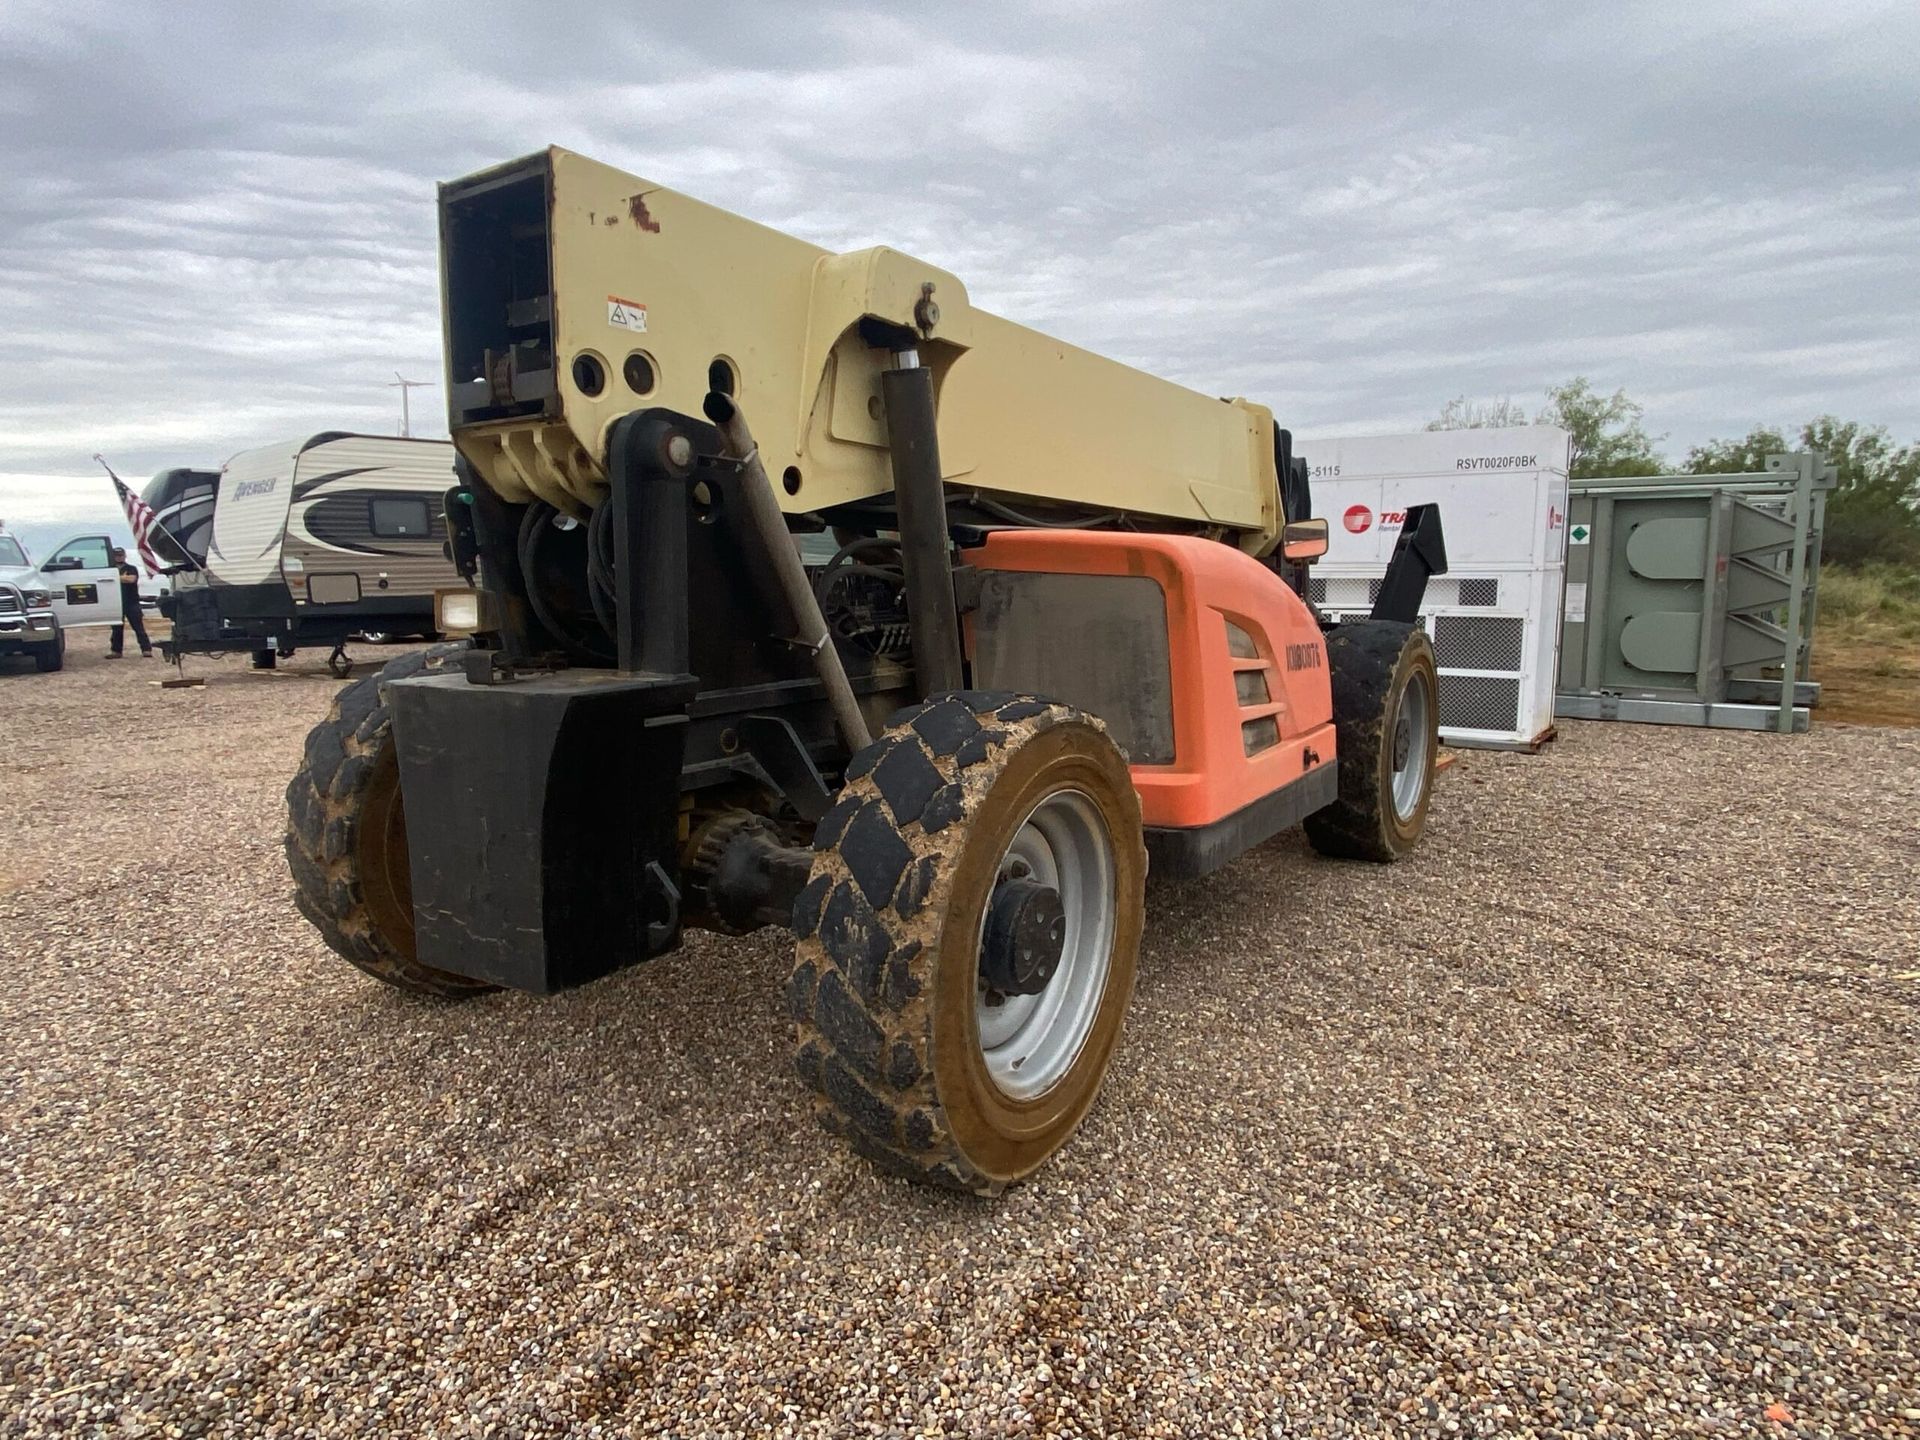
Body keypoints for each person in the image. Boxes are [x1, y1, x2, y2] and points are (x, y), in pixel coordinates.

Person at [107, 547, 153, 658]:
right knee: (116, 629)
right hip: (117, 603)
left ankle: (146, 649)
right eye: (117, 555)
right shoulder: (109, 569)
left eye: (121, 555)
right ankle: (116, 651)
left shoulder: (131, 568)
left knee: (138, 627)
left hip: (132, 602)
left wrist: (115, 577)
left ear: (125, 556)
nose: (119, 557)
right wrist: (122, 577)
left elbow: (131, 579)